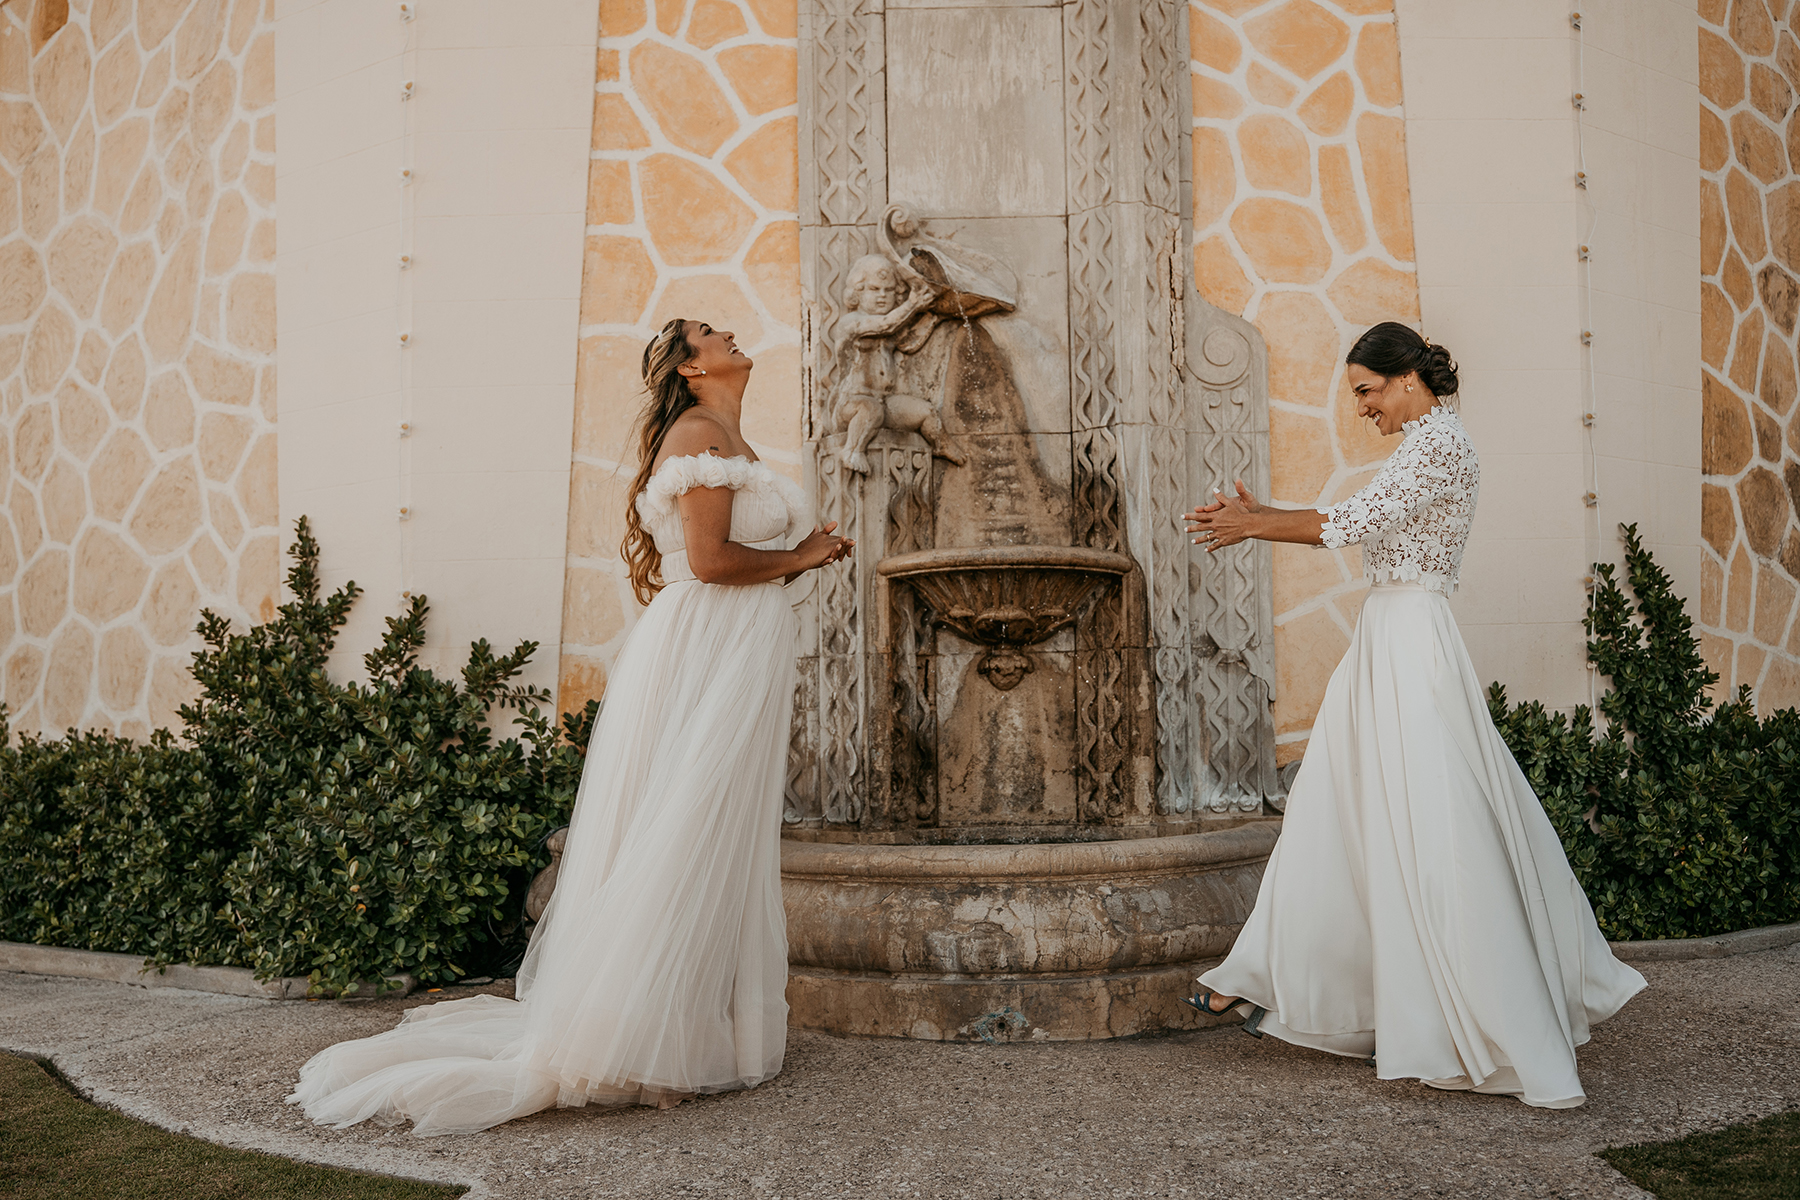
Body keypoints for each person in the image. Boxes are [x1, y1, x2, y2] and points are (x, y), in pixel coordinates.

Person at [288, 318, 853, 1135]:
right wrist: (798, 558)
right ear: (693, 369)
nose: (728, 331)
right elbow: (709, 562)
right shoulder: (698, 431)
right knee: (683, 827)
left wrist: (804, 549)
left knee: (707, 831)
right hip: (704, 652)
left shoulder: (727, 432)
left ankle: (674, 1029)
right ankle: (635, 1040)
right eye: (709, 331)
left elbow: (733, 553)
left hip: (737, 651)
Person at [1181, 322, 1644, 1109]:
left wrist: (1254, 524)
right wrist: (1267, 512)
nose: (1362, 408)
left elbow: (1350, 525)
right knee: (1340, 807)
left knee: (1436, 822)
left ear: (1405, 379)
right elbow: (1359, 513)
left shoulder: (1439, 447)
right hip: (1387, 639)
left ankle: (1484, 1015)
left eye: (1366, 390)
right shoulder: (1424, 446)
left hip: (1412, 644)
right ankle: (1265, 975)